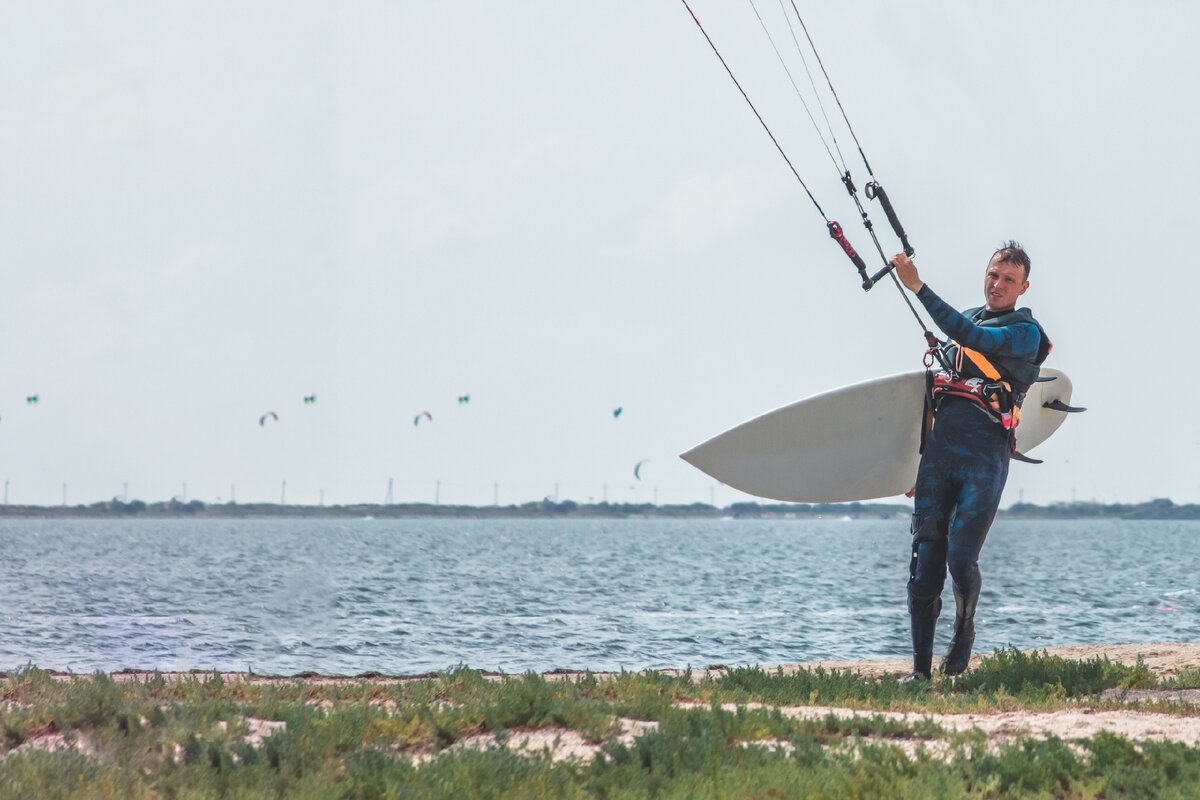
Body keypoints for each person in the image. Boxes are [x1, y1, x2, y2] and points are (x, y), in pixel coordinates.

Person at [890, 242, 1051, 681]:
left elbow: (975, 339)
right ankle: (920, 674)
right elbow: (933, 395)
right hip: (939, 457)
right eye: (993, 275)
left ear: (1023, 287)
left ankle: (964, 630)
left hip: (984, 459)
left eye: (1009, 280)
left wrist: (917, 287)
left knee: (960, 560)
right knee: (924, 568)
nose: (998, 285)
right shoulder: (968, 319)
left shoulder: (1024, 333)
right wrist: (914, 466)